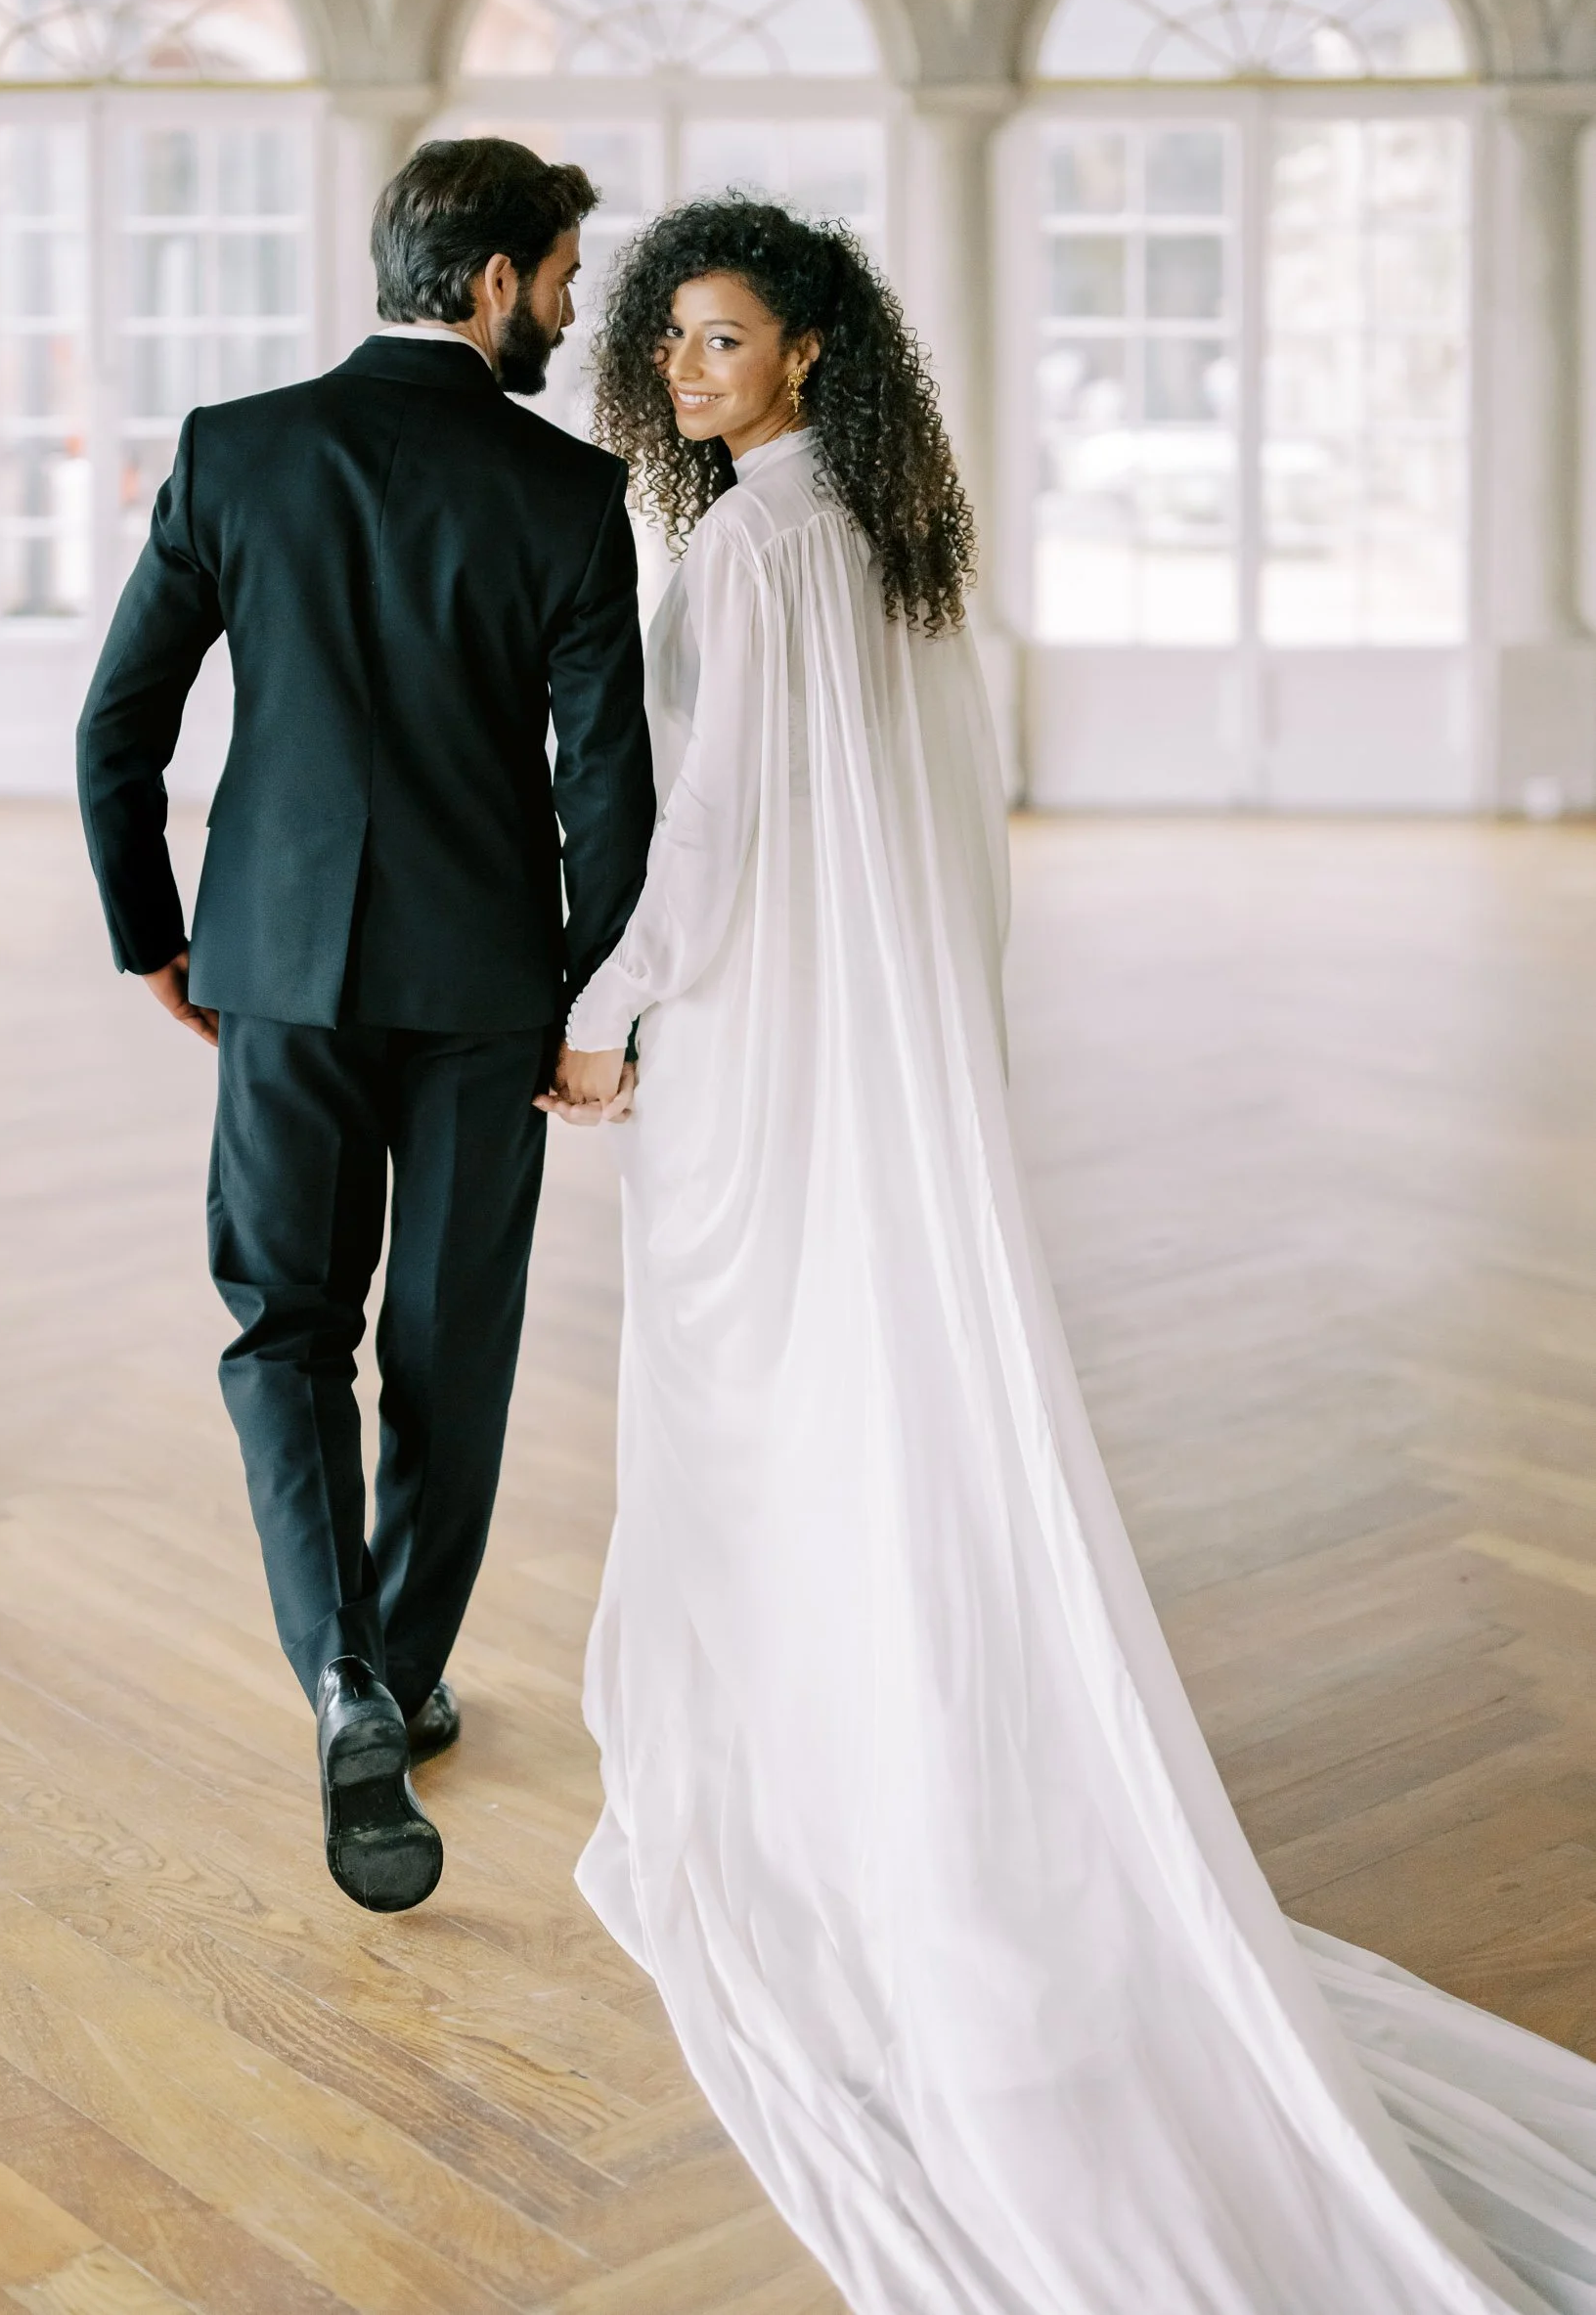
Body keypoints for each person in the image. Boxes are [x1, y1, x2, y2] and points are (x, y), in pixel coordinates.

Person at [543, 196, 1596, 2314]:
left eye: (720, 338)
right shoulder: (898, 540)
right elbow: (949, 829)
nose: (680, 368)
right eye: (663, 339)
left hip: (758, 1060)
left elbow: (715, 837)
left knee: (757, 1410)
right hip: (877, 1055)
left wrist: (608, 1004)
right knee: (859, 1402)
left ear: (810, 349)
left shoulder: (750, 547)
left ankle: (807, 1789)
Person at [76, 139, 655, 1916]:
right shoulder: (567, 490)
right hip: (485, 991)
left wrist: (156, 941)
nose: (569, 309)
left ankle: (335, 1672)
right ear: (489, 279)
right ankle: (395, 1675)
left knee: (283, 1324)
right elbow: (607, 786)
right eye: (559, 277)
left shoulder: (233, 450)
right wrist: (584, 993)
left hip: (275, 969)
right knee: (449, 1341)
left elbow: (119, 731)